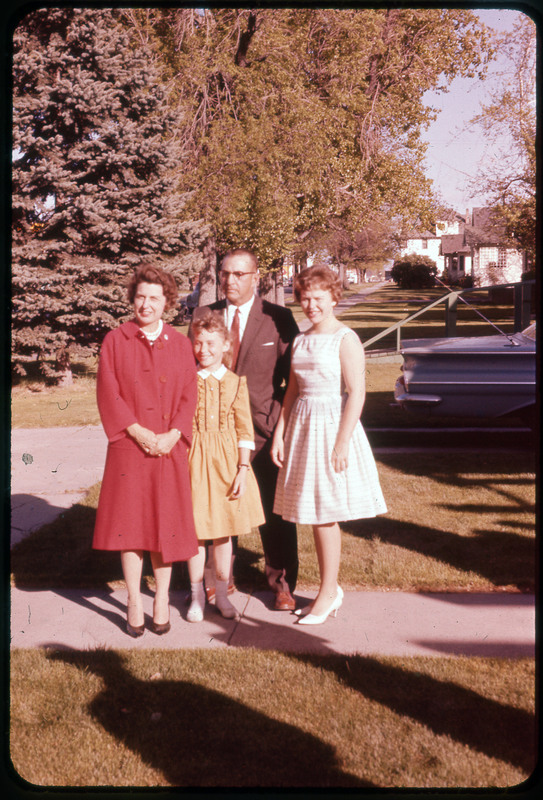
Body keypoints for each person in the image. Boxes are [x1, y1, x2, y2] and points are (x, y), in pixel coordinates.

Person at [271, 265, 387, 625]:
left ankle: (328, 593)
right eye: (304, 298)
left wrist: (341, 443)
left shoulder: (345, 338)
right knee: (312, 513)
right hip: (303, 426)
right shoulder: (302, 339)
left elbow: (356, 393)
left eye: (318, 298)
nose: (310, 305)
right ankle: (327, 591)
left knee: (325, 514)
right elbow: (291, 390)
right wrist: (280, 433)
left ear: (334, 298)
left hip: (332, 427)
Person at [93, 263, 198, 637]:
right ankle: (134, 599)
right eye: (141, 297)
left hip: (168, 449)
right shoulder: (115, 340)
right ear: (132, 299)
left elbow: (189, 394)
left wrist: (173, 435)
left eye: (154, 298)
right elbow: (109, 391)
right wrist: (136, 431)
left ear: (167, 302)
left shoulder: (181, 343)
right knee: (131, 528)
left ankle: (161, 598)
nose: (146, 304)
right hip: (129, 449)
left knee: (165, 526)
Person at [192, 249, 300, 610]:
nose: (230, 281)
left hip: (265, 434)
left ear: (256, 277)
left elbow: (294, 380)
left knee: (275, 512)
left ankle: (281, 581)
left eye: (239, 274)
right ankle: (220, 579)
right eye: (225, 274)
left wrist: (281, 431)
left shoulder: (277, 318)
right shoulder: (205, 314)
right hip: (216, 437)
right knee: (219, 509)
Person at [185, 310, 265, 622]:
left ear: (225, 345)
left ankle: (221, 593)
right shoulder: (186, 380)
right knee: (194, 532)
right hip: (193, 462)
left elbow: (246, 430)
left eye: (211, 343)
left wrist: (243, 470)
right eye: (198, 343)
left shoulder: (235, 383)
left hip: (228, 464)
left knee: (222, 535)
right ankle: (195, 596)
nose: (204, 350)